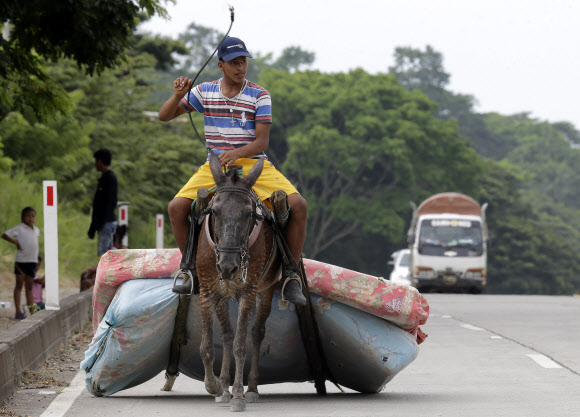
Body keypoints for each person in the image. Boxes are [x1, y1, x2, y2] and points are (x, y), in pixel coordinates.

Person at [158, 36, 308, 305]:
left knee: (299, 205)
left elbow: (262, 141)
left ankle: (290, 275)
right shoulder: (204, 92)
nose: (241, 67)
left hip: (253, 164)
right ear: (220, 65)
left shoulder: (259, 95)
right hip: (215, 167)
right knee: (176, 207)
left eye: (243, 62)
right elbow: (164, 115)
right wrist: (179, 95)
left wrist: (237, 153)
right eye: (234, 63)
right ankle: (189, 270)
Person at [1, 206, 40, 319]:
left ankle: (32, 311)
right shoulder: (19, 228)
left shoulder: (36, 230)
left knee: (29, 286)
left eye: (32, 216)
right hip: (21, 261)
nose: (30, 218)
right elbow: (4, 235)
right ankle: (18, 311)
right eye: (27, 216)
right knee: (19, 285)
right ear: (22, 217)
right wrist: (16, 243)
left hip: (32, 261)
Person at [88, 148, 118, 257]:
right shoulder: (103, 179)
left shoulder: (110, 179)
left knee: (103, 254)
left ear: (100, 161)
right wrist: (93, 227)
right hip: (104, 223)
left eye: (96, 161)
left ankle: (105, 274)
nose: (95, 164)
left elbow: (110, 203)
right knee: (106, 254)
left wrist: (100, 223)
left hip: (107, 223)